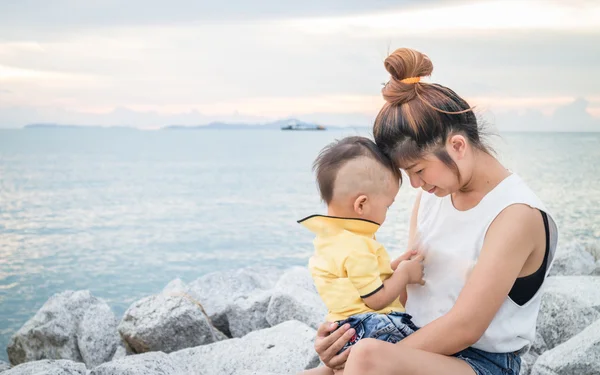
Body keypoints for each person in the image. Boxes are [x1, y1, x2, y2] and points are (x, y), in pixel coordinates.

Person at [302, 48, 558, 375]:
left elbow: (465, 327)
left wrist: (363, 357)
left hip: (481, 362)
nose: (415, 185)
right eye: (406, 174)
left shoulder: (516, 214)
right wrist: (347, 337)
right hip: (414, 342)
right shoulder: (432, 198)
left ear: (458, 146)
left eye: (418, 170)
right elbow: (411, 294)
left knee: (365, 360)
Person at [298, 136, 425, 374]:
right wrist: (406, 274)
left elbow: (359, 281)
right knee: (429, 346)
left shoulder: (329, 240)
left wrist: (394, 267)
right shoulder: (357, 245)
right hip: (370, 325)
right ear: (362, 204)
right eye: (387, 205)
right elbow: (375, 300)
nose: (387, 213)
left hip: (342, 328)